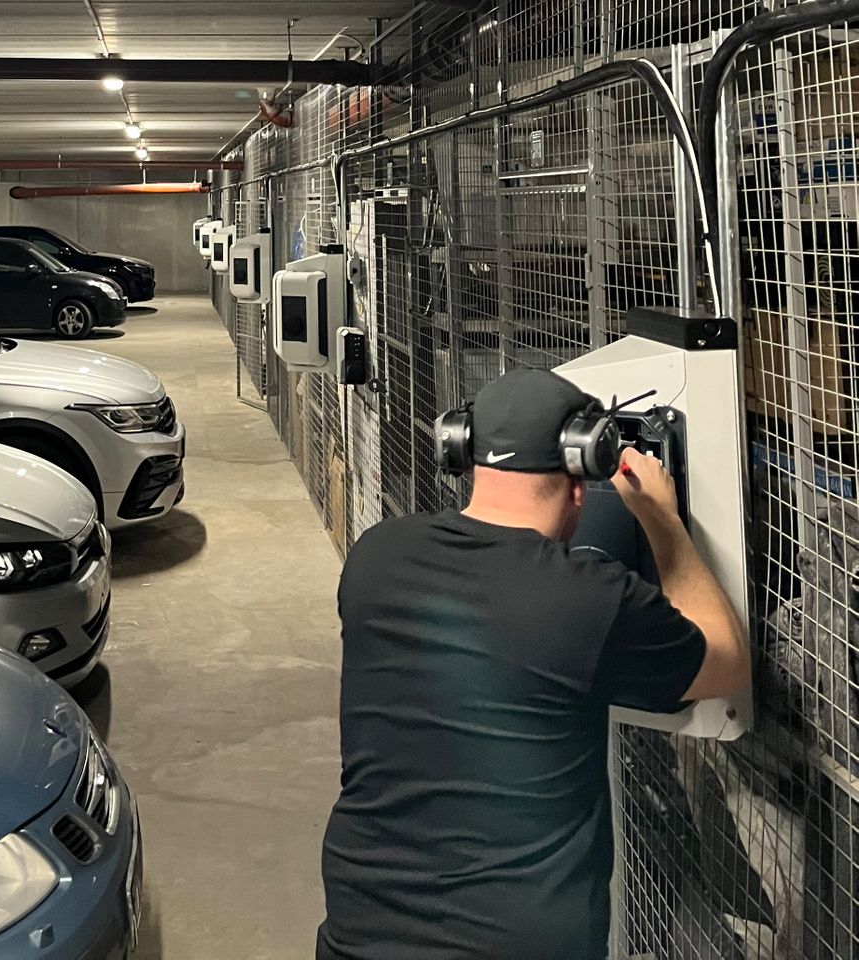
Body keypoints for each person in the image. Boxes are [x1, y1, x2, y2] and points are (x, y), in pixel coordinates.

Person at [316, 368, 750, 960]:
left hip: (360, 928)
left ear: (463, 449)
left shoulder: (376, 556)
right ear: (582, 472)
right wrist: (663, 521)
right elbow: (726, 666)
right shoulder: (589, 600)